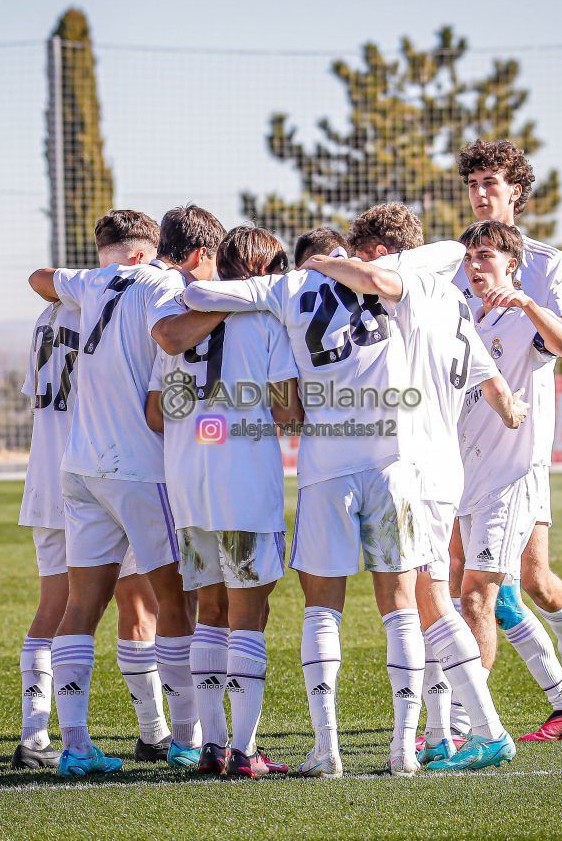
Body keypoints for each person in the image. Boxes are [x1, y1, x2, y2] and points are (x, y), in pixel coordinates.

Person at [181, 222, 460, 778]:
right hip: (392, 466)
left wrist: (294, 279)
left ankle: (326, 748)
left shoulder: (283, 287)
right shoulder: (385, 273)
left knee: (322, 609)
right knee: (400, 606)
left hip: (325, 470)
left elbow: (201, 294)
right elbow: (453, 251)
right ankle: (404, 748)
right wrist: (345, 268)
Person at [303, 202, 530, 772]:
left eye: (362, 257)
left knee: (428, 603)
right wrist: (511, 410)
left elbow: (378, 281)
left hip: (417, 466)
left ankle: (486, 729)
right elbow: (494, 384)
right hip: (443, 466)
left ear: (381, 254)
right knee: (431, 599)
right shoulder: (453, 299)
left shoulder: (408, 290)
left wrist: (323, 264)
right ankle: (441, 734)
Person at [26, 208, 225, 778]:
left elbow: (40, 277)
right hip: (139, 469)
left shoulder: (92, 281)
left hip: (80, 467)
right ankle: (184, 739)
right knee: (174, 602)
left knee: (81, 606)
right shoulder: (161, 284)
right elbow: (168, 341)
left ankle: (75, 745)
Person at [449, 139, 562, 726]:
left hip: (521, 449)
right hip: (465, 448)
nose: (480, 193)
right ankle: (557, 700)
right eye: (472, 183)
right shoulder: (457, 260)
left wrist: (525, 305)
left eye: (490, 182)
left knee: (530, 581)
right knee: (479, 583)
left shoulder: (544, 261)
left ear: (516, 190)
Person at [146, 225, 303, 778]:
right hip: (245, 486)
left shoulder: (182, 323)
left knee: (209, 613)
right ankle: (244, 750)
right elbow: (288, 412)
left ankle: (211, 745)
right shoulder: (265, 322)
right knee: (249, 615)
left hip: (190, 487)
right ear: (262, 272)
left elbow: (156, 414)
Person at [12, 289, 167, 769]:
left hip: (46, 478)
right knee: (137, 602)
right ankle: (154, 733)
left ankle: (34, 734)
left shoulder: (48, 314)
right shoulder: (109, 309)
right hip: (99, 470)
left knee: (54, 607)